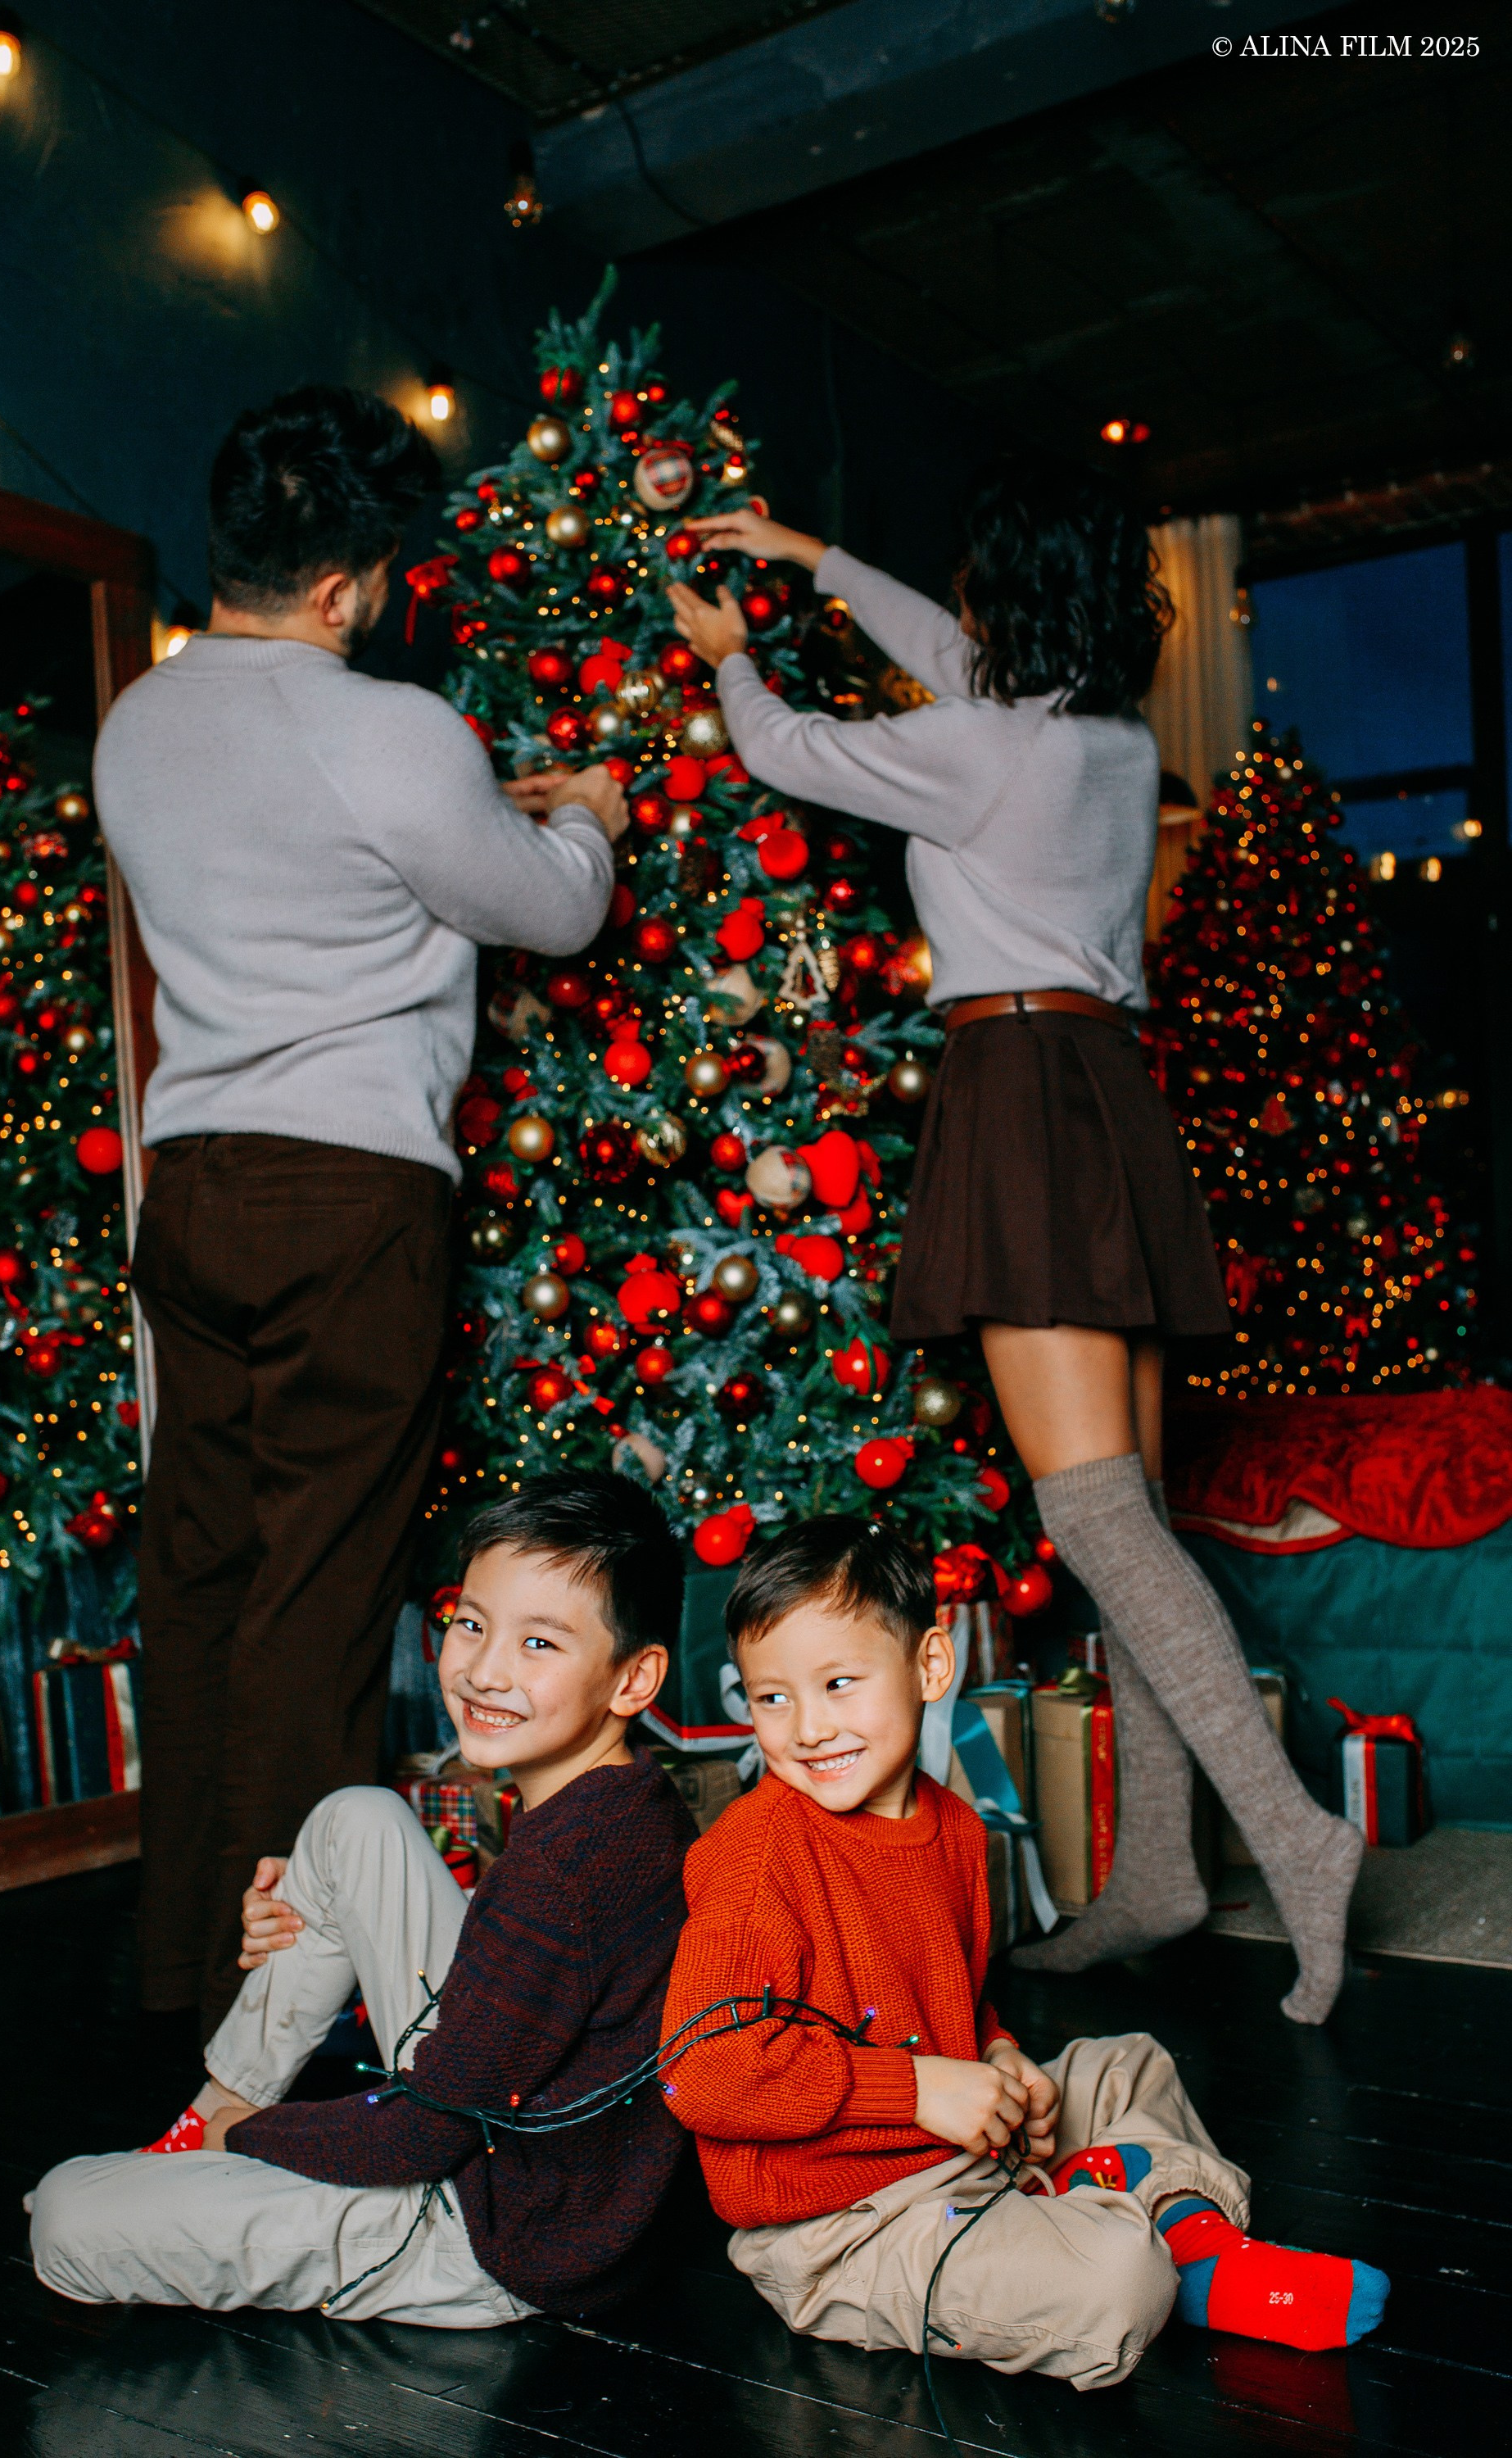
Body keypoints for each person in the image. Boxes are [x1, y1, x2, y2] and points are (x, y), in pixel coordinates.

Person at [666, 465, 1362, 2025]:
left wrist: (728, 645)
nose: (958, 614)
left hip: (1021, 1094)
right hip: (1106, 1090)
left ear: (1007, 607)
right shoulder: (1109, 741)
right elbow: (950, 658)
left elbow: (787, 748)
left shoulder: (979, 746)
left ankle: (1299, 1841)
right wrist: (809, 549)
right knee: (1140, 1521)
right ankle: (1159, 1877)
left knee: (1100, 1518)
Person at [97, 386, 628, 2033]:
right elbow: (542, 912)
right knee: (316, 1604)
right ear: (342, 587)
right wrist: (589, 822)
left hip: (190, 1187)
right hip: (352, 1196)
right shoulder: (394, 729)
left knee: (197, 1580)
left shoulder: (136, 722)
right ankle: (283, 2010)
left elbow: (290, 868)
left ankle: (183, 1964)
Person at [659, 1518, 1388, 2389]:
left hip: (956, 2147)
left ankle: (1192, 2249)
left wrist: (996, 2052)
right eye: (771, 1698)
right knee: (1116, 2283)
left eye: (838, 1684)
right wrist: (920, 2086)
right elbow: (698, 2069)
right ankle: (1124, 2235)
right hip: (840, 2225)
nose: (807, 1728)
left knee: (1132, 2067)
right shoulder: (756, 1856)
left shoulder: (958, 1831)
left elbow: (948, 2003)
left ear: (929, 1667)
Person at [28, 1472, 697, 2327]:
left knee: (65, 2213)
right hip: (532, 2160)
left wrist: (248, 2135)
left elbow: (420, 2138)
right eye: (471, 1624)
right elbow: (522, 1993)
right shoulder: (632, 1800)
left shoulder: (563, 1876)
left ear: (633, 1680)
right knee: (357, 1818)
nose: (484, 1669)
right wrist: (323, 1907)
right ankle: (202, 2117)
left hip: (495, 2234)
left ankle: (214, 2131)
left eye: (539, 1644)